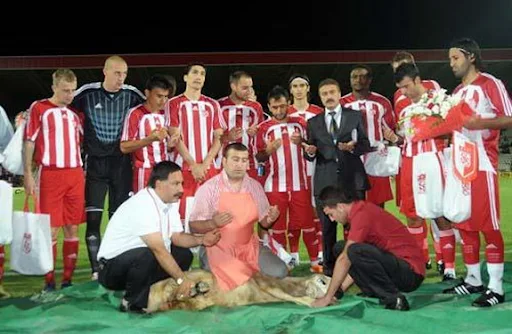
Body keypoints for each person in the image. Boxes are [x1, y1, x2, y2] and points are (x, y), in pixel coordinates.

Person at [97, 161, 221, 313]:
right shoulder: (143, 204)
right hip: (111, 270)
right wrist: (181, 278)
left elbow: (177, 237)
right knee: (147, 254)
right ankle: (131, 303)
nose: (181, 189)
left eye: (181, 183)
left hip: (139, 263)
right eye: (175, 184)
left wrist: (202, 240)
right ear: (159, 184)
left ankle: (160, 293)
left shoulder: (170, 202)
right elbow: (158, 249)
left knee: (183, 255)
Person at [443, 38, 512, 307]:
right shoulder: (457, 92)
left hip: (482, 164)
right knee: (465, 224)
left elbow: (508, 118)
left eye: (455, 58)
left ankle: (496, 287)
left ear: (471, 57)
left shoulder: (489, 84)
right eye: (450, 59)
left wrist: (477, 122)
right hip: (459, 165)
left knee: (488, 225)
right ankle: (473, 279)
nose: (451, 64)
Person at [72, 55, 145, 279]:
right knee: (93, 219)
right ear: (104, 71)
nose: (120, 78)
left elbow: (151, 108)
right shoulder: (86, 93)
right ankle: (96, 270)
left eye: (124, 73)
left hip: (122, 165)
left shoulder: (132, 95)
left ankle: (114, 264)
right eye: (116, 73)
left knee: (117, 220)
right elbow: (62, 105)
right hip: (95, 164)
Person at [389, 63, 457, 281]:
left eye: (407, 87)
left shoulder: (439, 102)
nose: (405, 93)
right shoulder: (406, 110)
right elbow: (407, 138)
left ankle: (449, 267)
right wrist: (393, 138)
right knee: (413, 216)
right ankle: (418, 265)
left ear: (418, 80)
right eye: (401, 89)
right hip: (410, 164)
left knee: (440, 214)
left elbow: (452, 128)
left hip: (433, 161)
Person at [189, 143, 287, 291]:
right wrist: (212, 223)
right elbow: (193, 225)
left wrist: (271, 217)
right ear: (224, 162)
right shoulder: (209, 188)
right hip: (217, 248)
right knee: (231, 281)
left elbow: (264, 223)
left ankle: (245, 272)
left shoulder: (255, 187)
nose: (239, 165)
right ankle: (222, 270)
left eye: (244, 160)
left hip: (249, 247)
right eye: (235, 159)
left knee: (280, 271)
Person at [310, 186, 425, 311]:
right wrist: (340, 290)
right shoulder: (360, 211)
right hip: (400, 267)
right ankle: (375, 291)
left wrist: (327, 297)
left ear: (340, 207)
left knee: (351, 250)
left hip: (411, 272)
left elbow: (346, 259)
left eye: (331, 214)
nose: (332, 219)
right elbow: (357, 260)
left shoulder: (362, 215)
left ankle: (394, 298)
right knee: (341, 248)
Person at [23, 69, 84, 291]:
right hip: (51, 174)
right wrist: (28, 174)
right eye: (65, 91)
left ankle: (68, 280)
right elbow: (29, 141)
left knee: (72, 227)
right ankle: (49, 280)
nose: (70, 95)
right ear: (54, 87)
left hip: (75, 174)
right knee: (51, 229)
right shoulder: (39, 108)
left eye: (72, 91)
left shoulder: (75, 115)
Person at [304, 78, 371, 275]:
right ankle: (329, 270)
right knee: (327, 229)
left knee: (357, 227)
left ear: (339, 93)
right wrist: (309, 151)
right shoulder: (313, 122)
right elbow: (310, 152)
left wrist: (354, 147)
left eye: (332, 92)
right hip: (325, 182)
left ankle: (360, 267)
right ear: (320, 97)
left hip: (352, 179)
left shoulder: (355, 116)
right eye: (324, 94)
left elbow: (365, 144)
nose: (329, 96)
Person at [255, 86, 321, 272]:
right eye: (275, 107)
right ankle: (283, 263)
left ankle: (316, 262)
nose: (279, 111)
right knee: (277, 226)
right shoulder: (264, 128)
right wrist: (268, 151)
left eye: (283, 106)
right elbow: (258, 157)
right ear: (269, 107)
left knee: (308, 223)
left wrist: (304, 144)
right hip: (275, 185)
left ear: (289, 104)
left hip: (300, 183)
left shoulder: (300, 123)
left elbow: (312, 149)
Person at [164, 63, 224, 220]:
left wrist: (205, 164)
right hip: (183, 168)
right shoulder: (174, 103)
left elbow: (219, 137)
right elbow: (175, 136)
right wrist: (193, 165)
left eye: (202, 74)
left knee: (211, 216)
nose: (199, 76)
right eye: (195, 72)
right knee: (182, 216)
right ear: (185, 77)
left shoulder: (213, 104)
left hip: (209, 169)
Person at [340, 64, 395, 208]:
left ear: (370, 79)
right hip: (351, 158)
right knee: (353, 205)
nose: (358, 80)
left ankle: (376, 231)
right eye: (354, 77)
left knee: (377, 205)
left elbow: (390, 130)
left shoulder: (382, 102)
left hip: (375, 156)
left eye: (362, 76)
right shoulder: (342, 103)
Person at [287, 73, 324, 262]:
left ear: (308, 88)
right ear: (291, 90)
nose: (299, 89)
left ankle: (321, 253)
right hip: (292, 171)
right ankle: (293, 254)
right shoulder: (284, 113)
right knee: (294, 213)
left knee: (317, 209)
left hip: (316, 168)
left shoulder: (319, 112)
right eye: (295, 86)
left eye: (302, 85)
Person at [120, 74, 180, 193]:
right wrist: (149, 139)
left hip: (165, 172)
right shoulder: (135, 114)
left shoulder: (167, 114)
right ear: (147, 93)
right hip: (144, 171)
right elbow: (124, 147)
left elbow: (166, 148)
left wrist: (170, 145)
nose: (163, 101)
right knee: (145, 208)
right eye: (159, 96)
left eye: (166, 97)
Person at [217, 71, 264, 180]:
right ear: (233, 86)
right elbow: (211, 138)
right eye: (245, 88)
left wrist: (257, 133)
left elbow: (262, 137)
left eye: (250, 87)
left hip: (250, 164)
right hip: (224, 163)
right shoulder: (219, 106)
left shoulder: (256, 107)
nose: (249, 91)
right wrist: (228, 137)